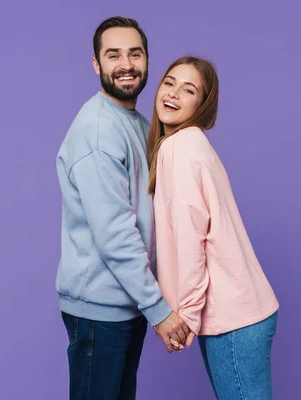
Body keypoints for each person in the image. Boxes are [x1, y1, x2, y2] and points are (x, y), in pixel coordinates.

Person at [55, 17, 191, 400]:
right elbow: (115, 233)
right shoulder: (99, 131)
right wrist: (159, 310)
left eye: (135, 53)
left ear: (147, 59)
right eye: (113, 55)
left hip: (125, 304)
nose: (126, 64)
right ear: (97, 64)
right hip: (100, 309)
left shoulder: (137, 123)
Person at [146, 56, 280, 399]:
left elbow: (193, 237)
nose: (173, 93)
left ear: (201, 105)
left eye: (188, 89)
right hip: (241, 315)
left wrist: (185, 316)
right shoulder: (190, 143)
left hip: (234, 320)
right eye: (169, 82)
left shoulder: (179, 148)